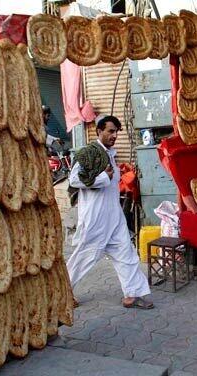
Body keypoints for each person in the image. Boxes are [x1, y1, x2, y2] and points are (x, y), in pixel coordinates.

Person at [66, 115, 153, 309]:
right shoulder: (88, 153)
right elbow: (74, 180)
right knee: (84, 256)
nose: (114, 135)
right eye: (110, 131)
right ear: (99, 131)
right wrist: (103, 177)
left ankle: (132, 294)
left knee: (127, 254)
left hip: (114, 216)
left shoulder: (110, 155)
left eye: (116, 132)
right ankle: (62, 293)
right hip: (95, 217)